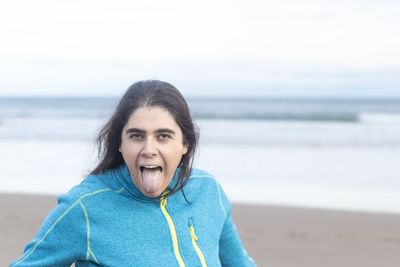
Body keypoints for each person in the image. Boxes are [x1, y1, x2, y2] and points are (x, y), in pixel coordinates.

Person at [10, 80, 256, 266]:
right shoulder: (85, 207)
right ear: (120, 143)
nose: (149, 149)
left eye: (163, 136)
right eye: (137, 136)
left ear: (185, 144)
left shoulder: (207, 191)